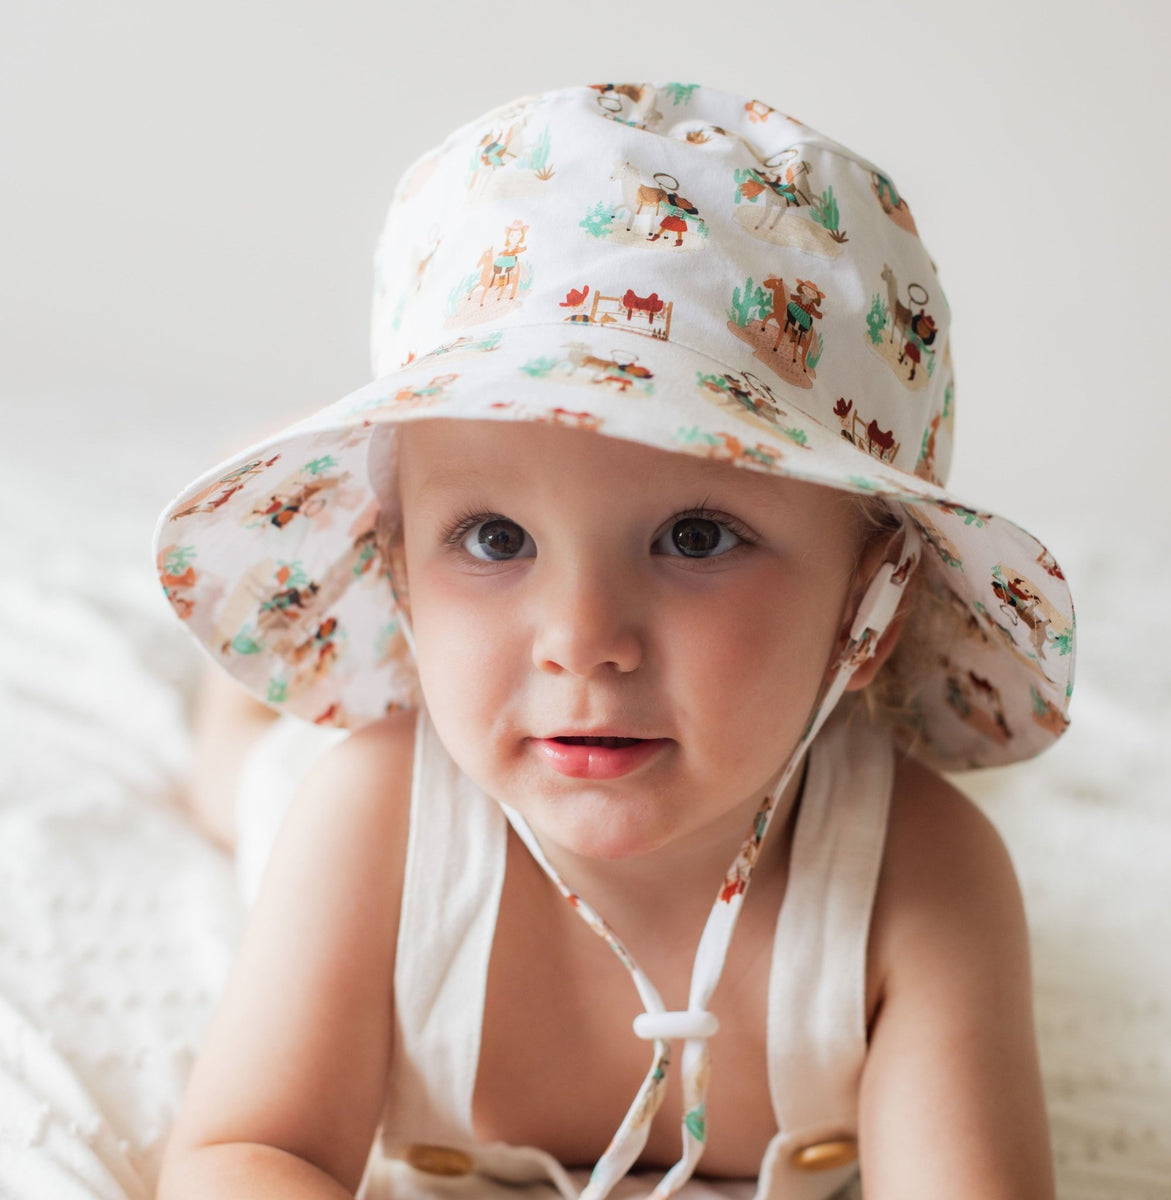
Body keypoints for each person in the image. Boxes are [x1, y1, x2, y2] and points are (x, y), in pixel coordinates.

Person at [153, 82, 1075, 1200]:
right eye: (493, 536)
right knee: (239, 782)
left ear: (869, 608)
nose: (583, 641)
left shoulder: (919, 883)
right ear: (396, 574)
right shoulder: (372, 827)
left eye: (695, 535)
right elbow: (244, 1155)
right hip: (348, 781)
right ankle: (236, 711)